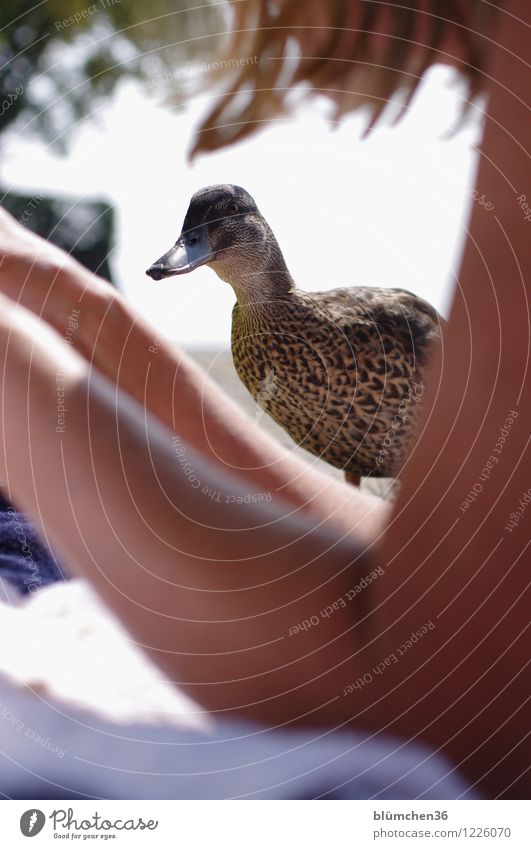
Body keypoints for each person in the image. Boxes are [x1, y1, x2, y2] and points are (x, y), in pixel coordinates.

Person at [0, 0, 528, 799]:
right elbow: (425, 572)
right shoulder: (251, 349)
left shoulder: (385, 324)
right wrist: (83, 315)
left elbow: (459, 684)